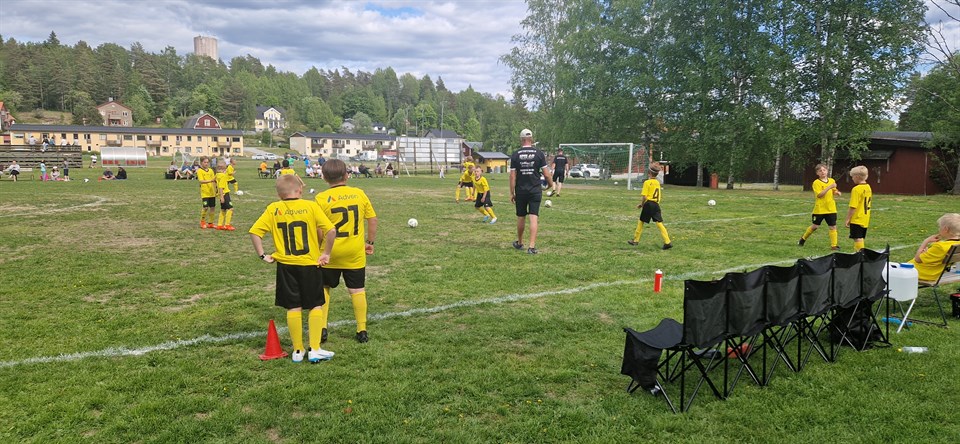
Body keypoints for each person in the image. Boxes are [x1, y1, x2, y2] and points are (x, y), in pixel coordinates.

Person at [249, 175, 338, 363]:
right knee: (315, 305)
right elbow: (331, 230)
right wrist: (326, 253)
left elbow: (255, 232)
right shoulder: (311, 206)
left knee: (293, 306)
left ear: (279, 194)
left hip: (286, 266)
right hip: (309, 265)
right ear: (299, 190)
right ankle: (315, 349)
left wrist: (263, 255)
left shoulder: (273, 208)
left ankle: (298, 351)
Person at [315, 159, 378, 344]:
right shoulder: (359, 193)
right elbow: (372, 219)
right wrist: (370, 242)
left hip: (330, 252)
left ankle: (322, 328)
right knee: (357, 290)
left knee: (324, 287)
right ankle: (361, 330)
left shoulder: (321, 198)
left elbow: (319, 229)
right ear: (346, 175)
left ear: (324, 177)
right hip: (354, 252)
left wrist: (320, 248)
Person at [509, 129, 553, 254]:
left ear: (521, 139)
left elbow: (512, 176)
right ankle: (531, 247)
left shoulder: (515, 155)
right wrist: (550, 185)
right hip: (535, 190)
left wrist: (512, 192)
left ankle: (520, 242)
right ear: (531, 139)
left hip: (521, 190)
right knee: (533, 217)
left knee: (521, 216)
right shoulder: (539, 154)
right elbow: (547, 174)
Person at [628, 162, 672, 250]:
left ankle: (636, 240)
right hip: (656, 204)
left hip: (648, 204)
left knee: (641, 221)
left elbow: (644, 196)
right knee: (659, 223)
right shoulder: (657, 182)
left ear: (649, 173)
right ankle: (667, 242)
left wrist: (642, 204)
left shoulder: (647, 182)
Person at [798, 164, 841, 250]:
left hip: (831, 208)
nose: (822, 172)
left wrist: (836, 192)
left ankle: (834, 246)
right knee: (815, 226)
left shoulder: (831, 180)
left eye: (824, 170)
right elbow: (819, 195)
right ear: (817, 173)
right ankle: (803, 239)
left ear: (827, 171)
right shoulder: (816, 183)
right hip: (820, 209)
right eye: (820, 171)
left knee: (833, 226)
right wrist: (829, 187)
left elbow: (834, 190)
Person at [908, 213, 960, 281]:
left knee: (894, 270)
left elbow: (917, 259)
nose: (939, 229)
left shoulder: (940, 247)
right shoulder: (956, 244)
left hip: (922, 273)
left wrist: (926, 241)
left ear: (946, 229)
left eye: (940, 227)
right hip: (936, 273)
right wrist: (927, 253)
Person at [844, 165, 872, 252]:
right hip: (865, 217)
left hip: (857, 218)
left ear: (857, 176)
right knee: (860, 237)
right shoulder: (868, 187)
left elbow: (853, 206)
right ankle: (860, 254)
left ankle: (860, 255)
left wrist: (848, 219)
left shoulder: (856, 189)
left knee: (857, 238)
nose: (852, 179)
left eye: (852, 177)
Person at [196, 156, 218, 229]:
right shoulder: (199, 171)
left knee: (212, 207)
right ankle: (202, 222)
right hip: (205, 193)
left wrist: (216, 188)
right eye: (205, 162)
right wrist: (210, 180)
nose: (206, 164)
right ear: (201, 162)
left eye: (207, 162)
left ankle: (210, 223)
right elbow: (201, 181)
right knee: (205, 207)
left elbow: (214, 180)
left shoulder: (211, 170)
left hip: (212, 192)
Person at [214, 163, 235, 230]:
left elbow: (214, 181)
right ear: (224, 169)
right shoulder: (223, 176)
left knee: (223, 209)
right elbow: (221, 187)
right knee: (230, 209)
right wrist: (222, 197)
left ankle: (219, 225)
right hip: (224, 194)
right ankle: (227, 225)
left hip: (220, 194)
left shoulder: (217, 175)